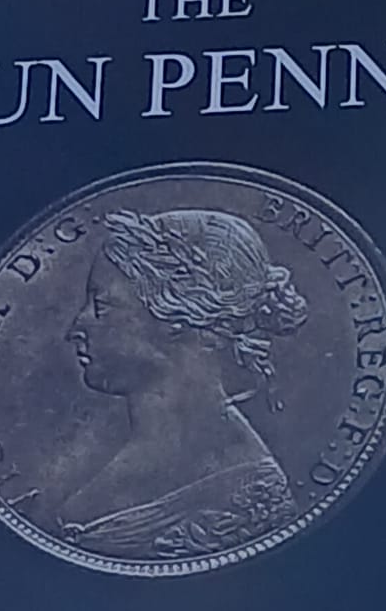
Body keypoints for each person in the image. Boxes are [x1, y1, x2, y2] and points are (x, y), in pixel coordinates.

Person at [60, 205, 308, 563]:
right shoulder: (141, 455)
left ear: (177, 316)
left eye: (101, 305)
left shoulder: (247, 491)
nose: (76, 329)